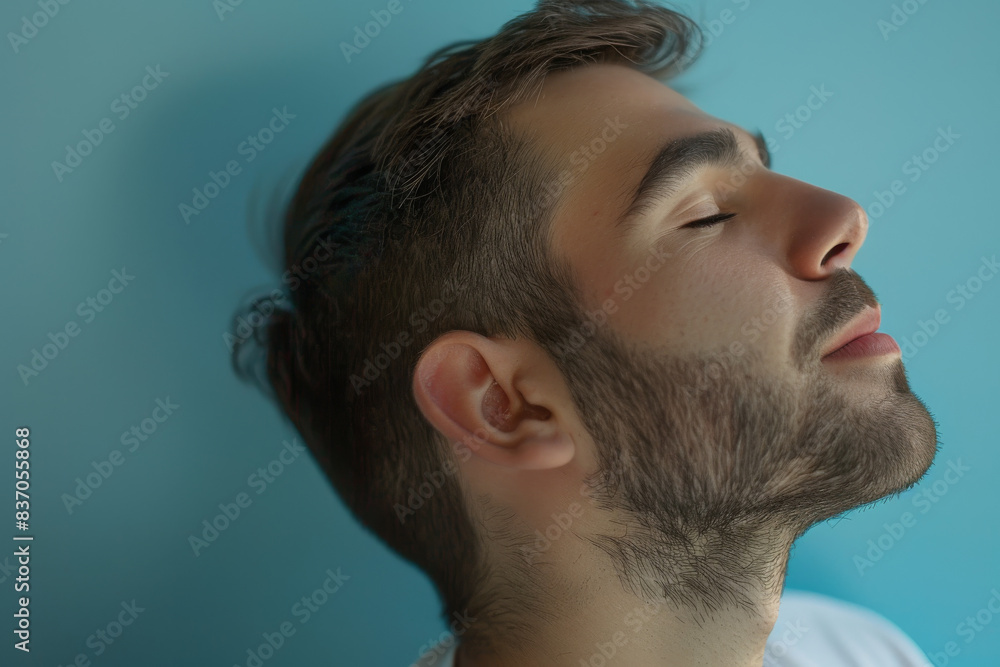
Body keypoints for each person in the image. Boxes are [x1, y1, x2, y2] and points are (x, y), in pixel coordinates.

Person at [232, 1, 940, 664]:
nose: (845, 217)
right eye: (704, 214)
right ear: (506, 404)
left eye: (764, 169)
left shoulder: (860, 648)